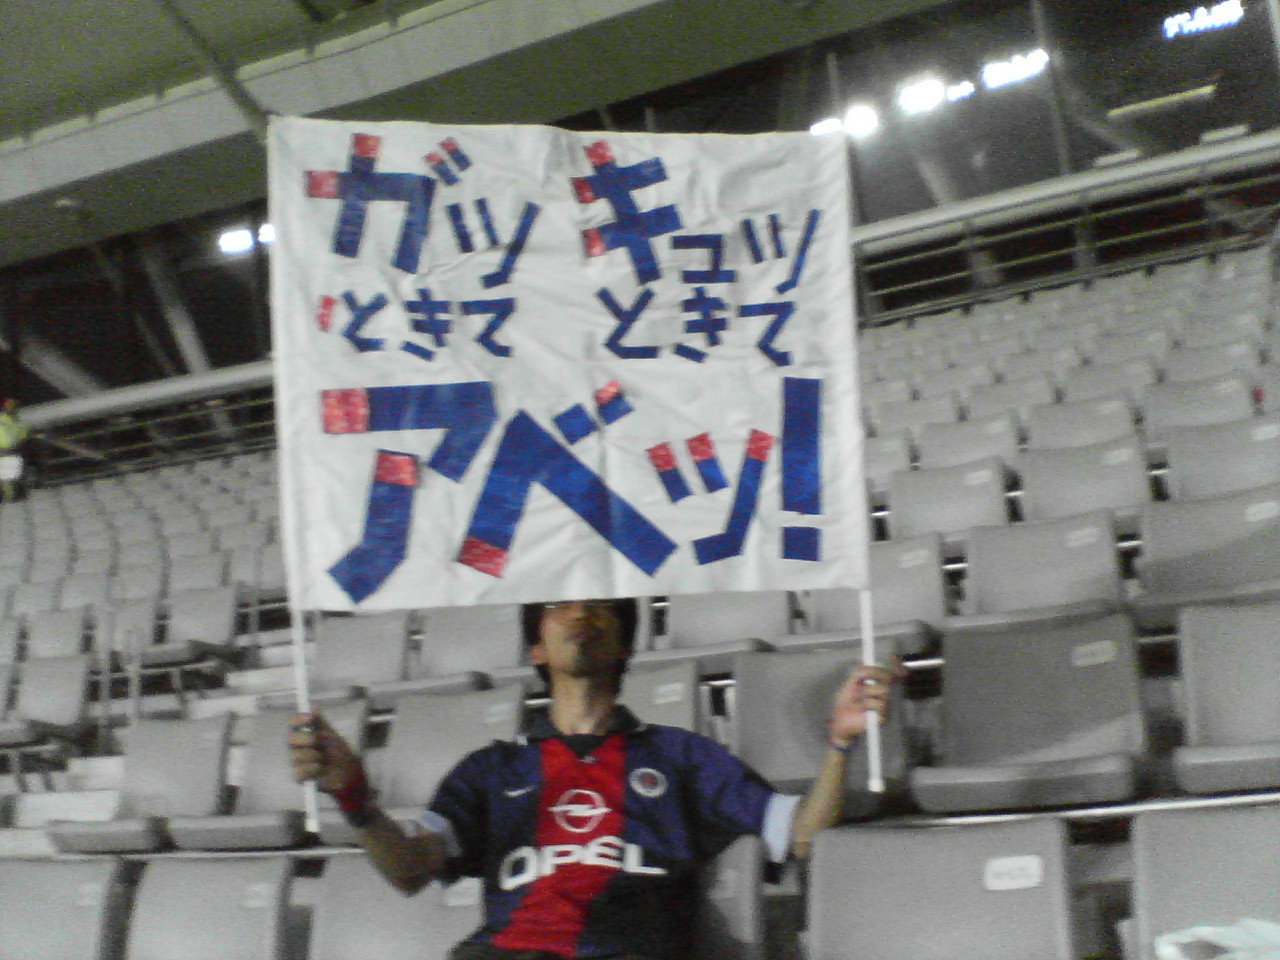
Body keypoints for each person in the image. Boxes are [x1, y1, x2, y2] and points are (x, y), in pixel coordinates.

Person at [290, 597, 901, 960]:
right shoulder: (489, 770)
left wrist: (838, 744)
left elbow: (798, 836)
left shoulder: (681, 756)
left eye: (600, 606)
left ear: (625, 645)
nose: (582, 613)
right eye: (561, 605)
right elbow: (407, 872)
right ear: (536, 649)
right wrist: (355, 798)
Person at [0, 397, 29, 502]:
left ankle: (12, 497)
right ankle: (11, 497)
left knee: (11, 476)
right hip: (6, 451)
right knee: (8, 477)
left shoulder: (17, 421)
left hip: (12, 451)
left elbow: (22, 435)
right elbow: (22, 435)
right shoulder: (10, 420)